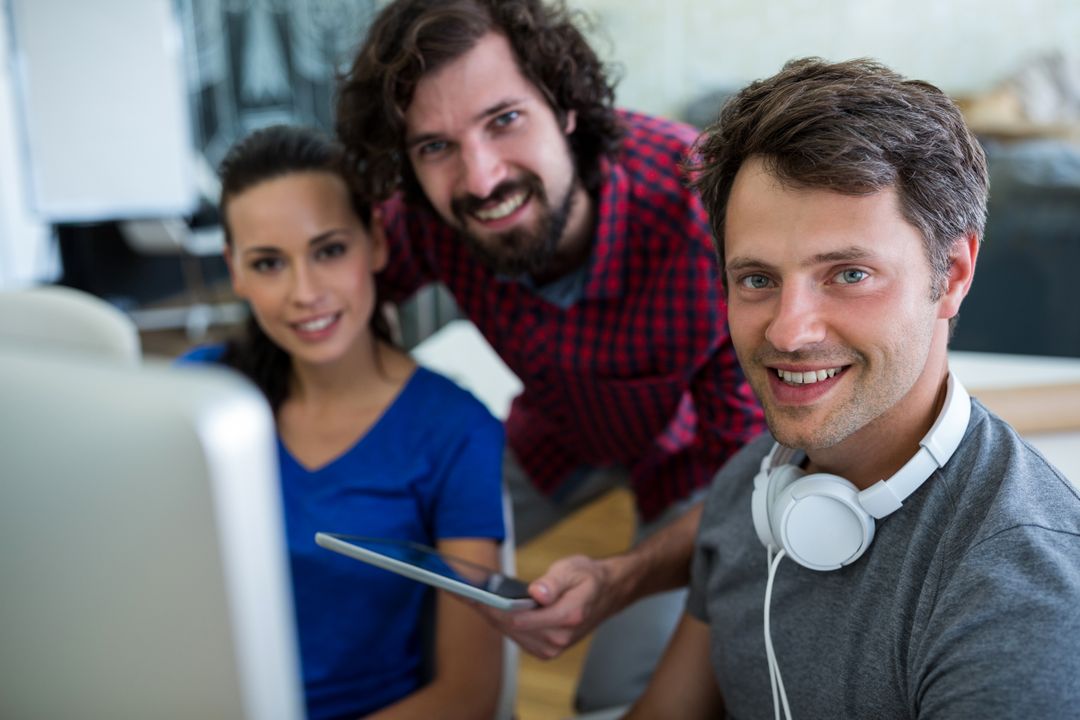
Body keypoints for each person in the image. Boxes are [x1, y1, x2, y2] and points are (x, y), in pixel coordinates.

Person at [335, 0, 765, 708]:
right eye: (435, 146)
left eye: (504, 120)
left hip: (690, 459)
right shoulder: (428, 217)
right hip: (554, 433)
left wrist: (620, 578)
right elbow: (336, 292)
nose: (479, 179)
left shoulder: (702, 218)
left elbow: (750, 481)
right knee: (386, 571)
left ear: (565, 106)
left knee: (614, 700)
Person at [627, 58, 1080, 719]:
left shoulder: (1021, 598)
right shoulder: (752, 484)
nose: (788, 331)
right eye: (757, 279)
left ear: (952, 274)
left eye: (848, 274)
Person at [179, 125, 507, 720]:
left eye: (329, 250)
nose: (305, 292)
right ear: (236, 270)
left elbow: (468, 696)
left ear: (376, 242)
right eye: (269, 263)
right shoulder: (196, 399)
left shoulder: (455, 431)